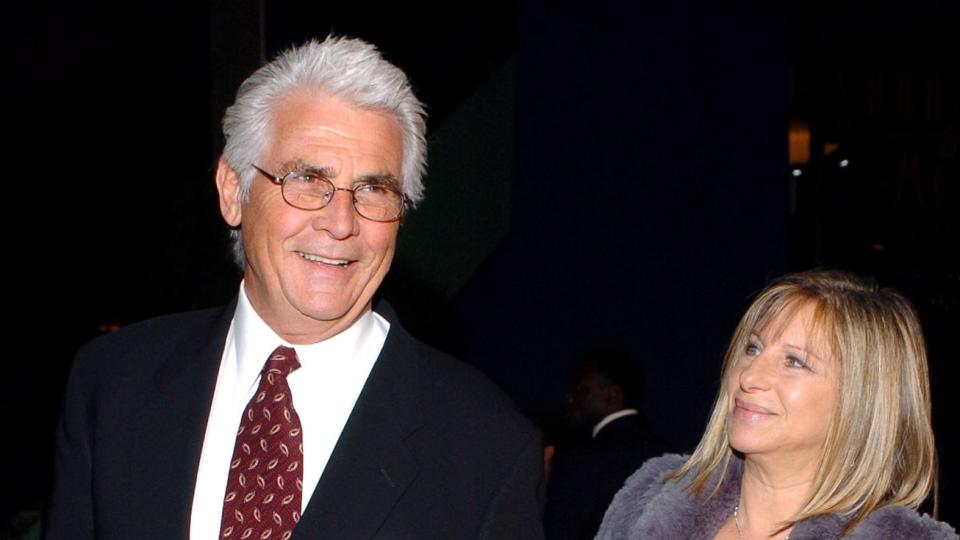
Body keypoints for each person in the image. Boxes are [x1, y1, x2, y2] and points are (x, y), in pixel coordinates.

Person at [45, 36, 544, 540]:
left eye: (374, 189)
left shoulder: (485, 446)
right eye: (307, 178)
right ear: (232, 192)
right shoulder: (112, 385)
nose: (341, 222)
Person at [596, 269, 958, 539]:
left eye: (795, 361)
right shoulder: (648, 501)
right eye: (752, 348)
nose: (749, 375)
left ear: (862, 399)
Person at [544, 349, 663, 539]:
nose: (570, 398)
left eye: (581, 390)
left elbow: (555, 531)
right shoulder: (666, 453)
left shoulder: (582, 459)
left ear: (612, 396)